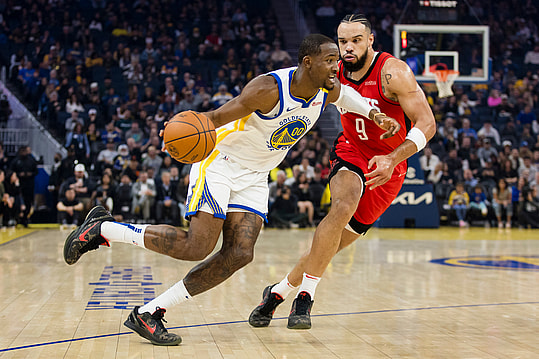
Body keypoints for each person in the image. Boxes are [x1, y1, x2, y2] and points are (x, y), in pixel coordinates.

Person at [63, 33, 400, 346]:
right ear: (307, 62)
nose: (336, 66)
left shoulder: (327, 87)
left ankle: (150, 313)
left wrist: (374, 113)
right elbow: (216, 116)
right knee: (197, 245)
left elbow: (348, 96)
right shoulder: (268, 89)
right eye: (329, 60)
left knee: (240, 253)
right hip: (222, 163)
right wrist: (175, 132)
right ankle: (104, 228)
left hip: (256, 175)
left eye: (336, 60)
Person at [248, 14, 435, 330]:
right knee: (343, 206)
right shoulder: (331, 72)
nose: (348, 48)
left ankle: (277, 293)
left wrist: (393, 157)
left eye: (355, 41)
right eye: (343, 41)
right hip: (350, 150)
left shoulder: (394, 73)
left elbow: (427, 123)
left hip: (390, 164)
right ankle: (306, 296)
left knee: (330, 246)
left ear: (370, 41)